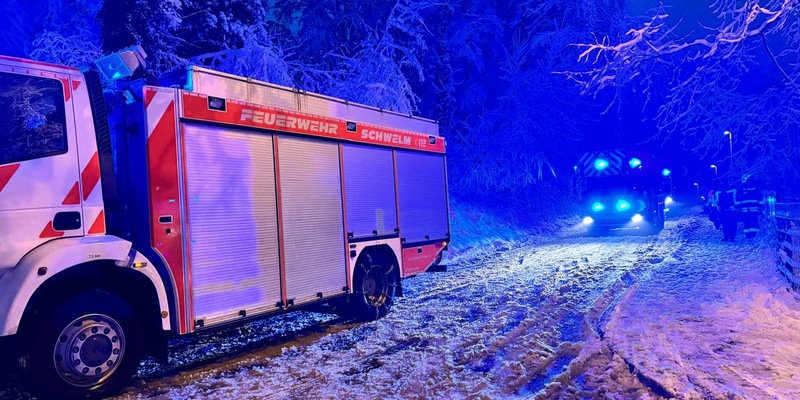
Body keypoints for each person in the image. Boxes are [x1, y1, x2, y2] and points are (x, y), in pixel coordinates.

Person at [736, 174, 764, 239]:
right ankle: (753, 234)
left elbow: (738, 198)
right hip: (754, 208)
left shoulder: (741, 188)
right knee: (753, 220)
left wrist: (738, 207)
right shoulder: (755, 187)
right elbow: (760, 197)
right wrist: (761, 206)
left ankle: (748, 235)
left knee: (747, 221)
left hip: (745, 208)